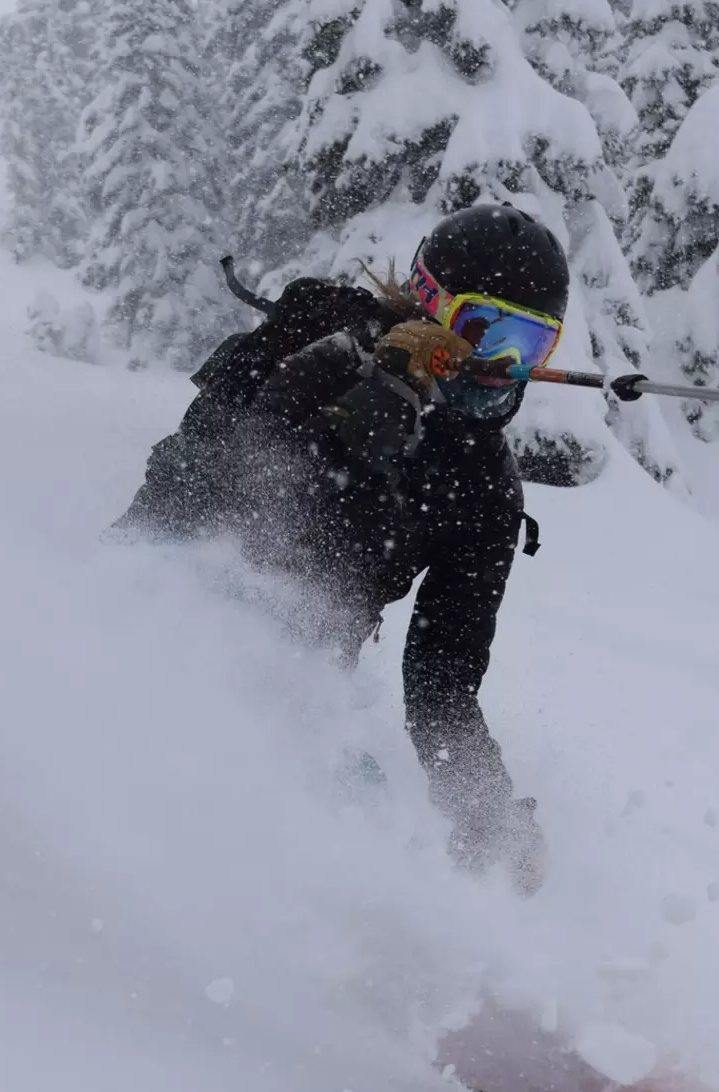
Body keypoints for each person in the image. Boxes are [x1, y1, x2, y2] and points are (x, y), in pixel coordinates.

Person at [115, 203, 569, 894]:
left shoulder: (482, 489)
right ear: (429, 302)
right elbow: (209, 482)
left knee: (359, 819)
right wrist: (375, 397)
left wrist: (485, 808)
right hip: (163, 600)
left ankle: (401, 955)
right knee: (243, 791)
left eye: (529, 345)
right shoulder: (314, 345)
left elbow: (442, 681)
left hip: (299, 680)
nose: (498, 365)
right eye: (482, 330)